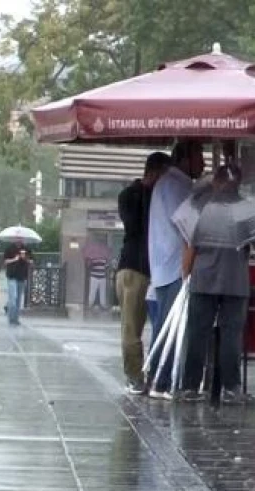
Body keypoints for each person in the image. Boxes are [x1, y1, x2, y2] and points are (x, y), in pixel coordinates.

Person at [179, 166, 255, 405]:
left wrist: (184, 274)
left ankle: (189, 387)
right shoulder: (247, 210)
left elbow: (190, 245)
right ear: (238, 184)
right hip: (235, 281)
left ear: (216, 182)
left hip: (203, 280)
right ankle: (231, 389)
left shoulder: (200, 208)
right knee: (231, 335)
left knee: (198, 333)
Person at [147, 140, 205, 399]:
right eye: (199, 157)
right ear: (185, 159)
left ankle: (161, 377)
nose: (204, 164)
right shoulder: (176, 185)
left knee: (166, 324)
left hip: (167, 265)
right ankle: (161, 379)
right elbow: (187, 227)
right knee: (169, 326)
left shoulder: (173, 184)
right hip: (174, 266)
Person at [117, 151, 171, 395]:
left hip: (158, 267)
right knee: (132, 325)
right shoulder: (131, 195)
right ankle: (135, 375)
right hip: (134, 267)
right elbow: (135, 225)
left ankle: (155, 372)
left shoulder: (163, 197)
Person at [2, 239, 33, 326]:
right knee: (13, 297)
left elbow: (32, 261)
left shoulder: (26, 249)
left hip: (22, 277)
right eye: (17, 237)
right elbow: (5, 261)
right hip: (11, 276)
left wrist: (25, 258)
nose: (19, 240)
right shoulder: (9, 248)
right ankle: (11, 318)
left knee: (19, 299)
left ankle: (16, 319)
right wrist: (15, 259)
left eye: (21, 238)